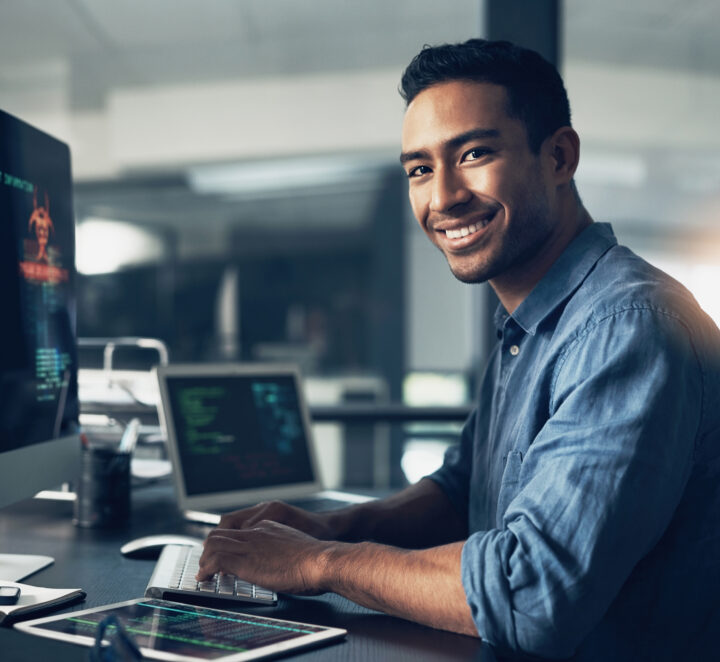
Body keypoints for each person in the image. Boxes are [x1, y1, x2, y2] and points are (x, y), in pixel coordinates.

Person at [197, 39, 720, 660]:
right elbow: (463, 489)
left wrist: (318, 562)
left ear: (558, 156)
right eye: (419, 169)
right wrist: (332, 525)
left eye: (473, 153)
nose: (442, 197)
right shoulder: (533, 321)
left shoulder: (626, 327)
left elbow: (530, 593)